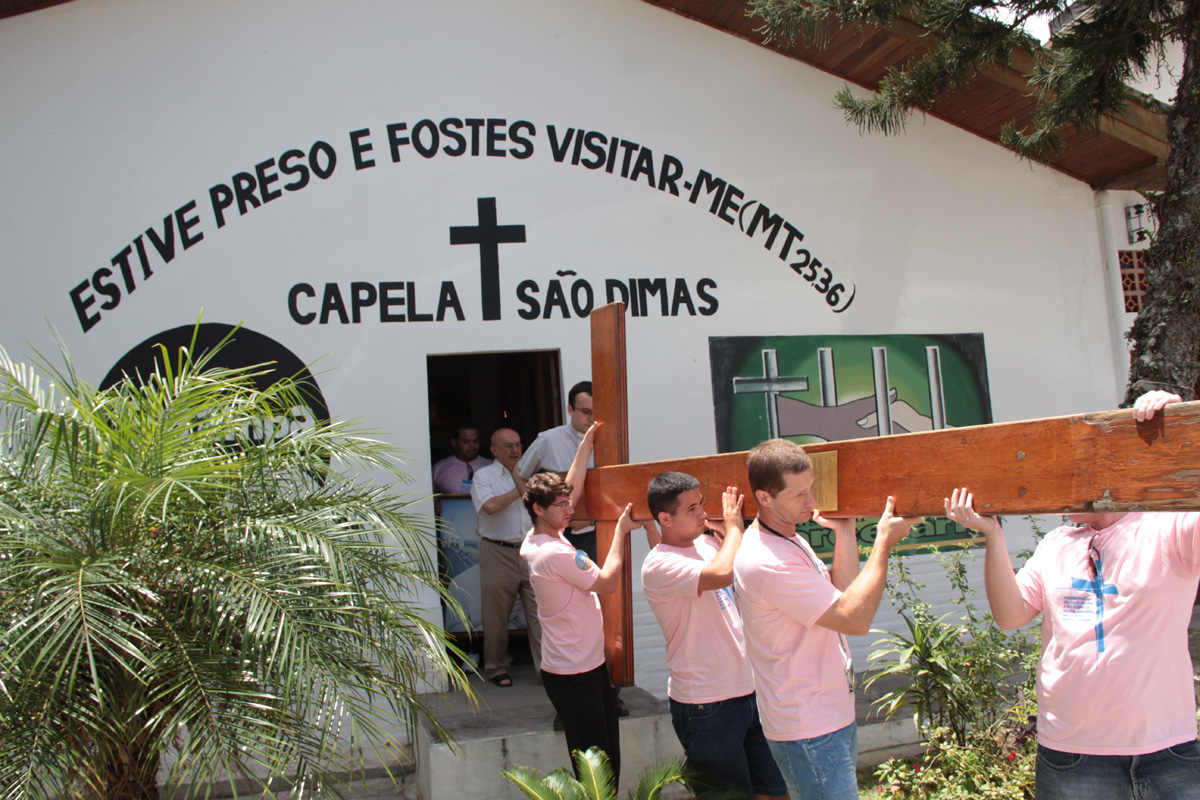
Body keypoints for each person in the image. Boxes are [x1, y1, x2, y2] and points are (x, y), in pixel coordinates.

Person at [943, 388, 1200, 800]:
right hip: (1072, 754)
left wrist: (1182, 425)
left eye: (1066, 473)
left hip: (1165, 749)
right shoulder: (1056, 543)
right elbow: (1010, 615)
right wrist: (992, 533)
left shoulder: (1169, 528)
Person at [733, 438, 919, 800]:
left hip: (829, 716)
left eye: (812, 487)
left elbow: (841, 595)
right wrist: (882, 543)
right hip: (809, 728)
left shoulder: (787, 538)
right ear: (765, 498)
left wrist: (845, 530)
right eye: (799, 494)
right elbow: (854, 619)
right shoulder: (767, 561)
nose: (812, 501)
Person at [641, 472, 789, 800]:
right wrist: (734, 529)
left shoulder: (708, 543)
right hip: (706, 705)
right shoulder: (658, 564)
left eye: (701, 504)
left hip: (749, 690)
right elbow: (721, 573)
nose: (703, 513)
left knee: (775, 790)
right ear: (665, 519)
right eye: (691, 508)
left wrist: (728, 535)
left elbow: (745, 569)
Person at [520, 421, 637, 783]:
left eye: (568, 503)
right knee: (596, 770)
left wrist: (585, 446)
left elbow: (570, 487)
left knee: (606, 760)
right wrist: (620, 532)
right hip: (574, 675)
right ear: (539, 509)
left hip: (583, 667)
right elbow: (608, 582)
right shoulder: (555, 553)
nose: (569, 509)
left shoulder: (538, 537)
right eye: (561, 506)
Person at [470, 428, 541, 687]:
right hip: (498, 551)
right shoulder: (484, 476)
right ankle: (496, 667)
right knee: (496, 617)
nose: (515, 451)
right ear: (494, 450)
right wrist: (519, 486)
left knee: (540, 615)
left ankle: (547, 671)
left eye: (518, 445)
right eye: (508, 446)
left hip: (531, 552)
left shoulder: (534, 474)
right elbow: (490, 507)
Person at [518, 380, 597, 559]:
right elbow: (520, 473)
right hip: (557, 534)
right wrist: (539, 513)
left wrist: (592, 520)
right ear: (570, 409)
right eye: (586, 412)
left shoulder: (609, 442)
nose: (591, 418)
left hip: (596, 532)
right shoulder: (548, 440)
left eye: (596, 412)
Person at [432, 423, 492, 494]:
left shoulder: (492, 466)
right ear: (454, 443)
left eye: (475, 441)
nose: (472, 445)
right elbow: (429, 497)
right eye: (466, 441)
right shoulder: (439, 468)